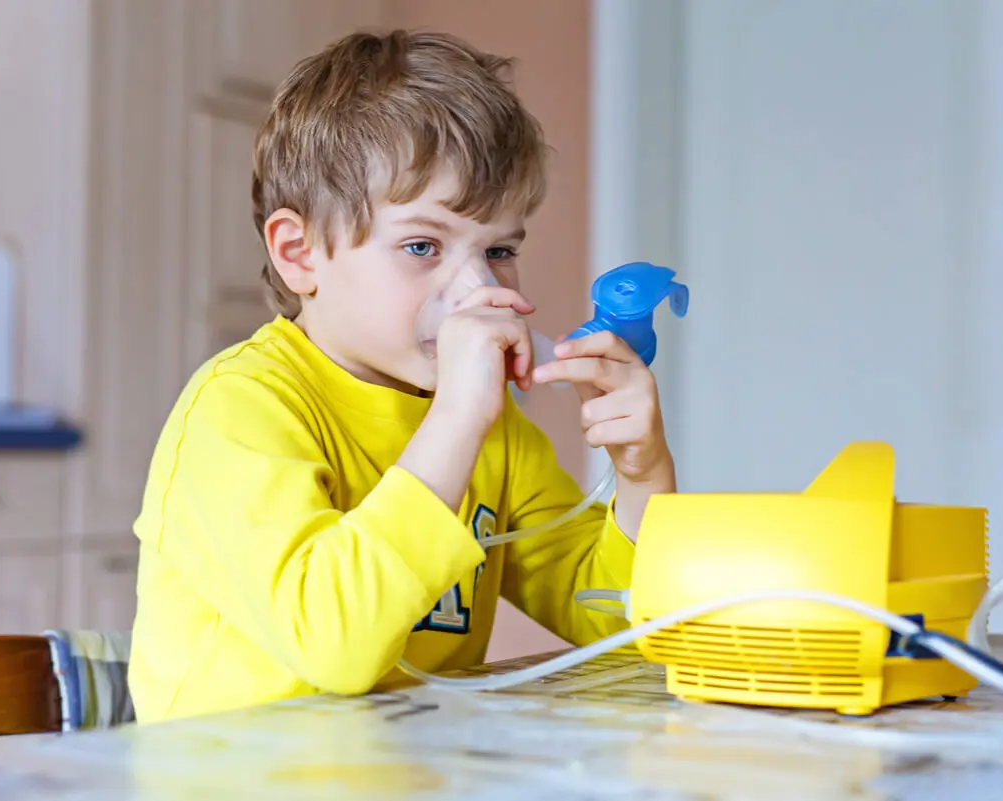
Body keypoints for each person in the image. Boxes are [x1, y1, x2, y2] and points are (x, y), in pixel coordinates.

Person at [126, 29, 676, 723]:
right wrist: (454, 421)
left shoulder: (493, 431)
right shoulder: (239, 412)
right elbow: (334, 645)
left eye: (500, 249)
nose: (477, 288)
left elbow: (624, 627)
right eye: (422, 245)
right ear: (301, 254)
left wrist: (641, 470)